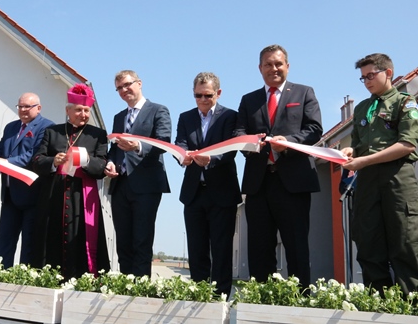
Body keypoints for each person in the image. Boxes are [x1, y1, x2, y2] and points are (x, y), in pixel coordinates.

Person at [234, 44, 322, 289]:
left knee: (296, 246)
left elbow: (314, 129)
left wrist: (289, 143)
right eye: (268, 64)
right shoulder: (249, 100)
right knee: (259, 247)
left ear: (287, 66)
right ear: (260, 68)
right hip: (258, 183)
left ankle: (300, 299)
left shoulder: (304, 93)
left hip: (294, 182)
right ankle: (262, 297)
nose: (273, 68)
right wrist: (252, 143)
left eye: (278, 64)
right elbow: (239, 132)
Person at [341, 53, 418, 295]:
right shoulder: (362, 108)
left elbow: (407, 145)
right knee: (368, 243)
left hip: (397, 176)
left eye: (371, 76)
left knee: (405, 242)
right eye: (363, 78)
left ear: (388, 73)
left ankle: (412, 304)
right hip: (367, 180)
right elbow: (358, 144)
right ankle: (379, 302)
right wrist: (350, 152)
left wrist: (364, 160)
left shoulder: (405, 103)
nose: (366, 82)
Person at [31, 84, 110, 280]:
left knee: (81, 240)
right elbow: (37, 160)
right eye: (79, 110)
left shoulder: (98, 135)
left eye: (86, 111)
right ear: (68, 111)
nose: (83, 114)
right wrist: (53, 161)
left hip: (81, 197)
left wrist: (86, 160)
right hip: (54, 197)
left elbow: (102, 166)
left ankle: (83, 280)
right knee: (51, 239)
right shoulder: (52, 132)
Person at [175, 72, 240, 297]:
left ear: (218, 93)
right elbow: (180, 143)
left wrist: (211, 159)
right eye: (198, 95)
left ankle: (220, 298)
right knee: (196, 249)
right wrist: (181, 156)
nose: (202, 99)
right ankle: (199, 297)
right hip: (193, 193)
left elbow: (231, 149)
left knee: (221, 250)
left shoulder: (230, 116)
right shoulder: (185, 117)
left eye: (208, 95)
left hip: (222, 193)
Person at [104, 70, 171, 277]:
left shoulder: (158, 110)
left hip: (146, 185)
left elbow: (164, 141)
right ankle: (125, 285)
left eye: (127, 85)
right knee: (123, 241)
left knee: (141, 240)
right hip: (120, 185)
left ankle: (140, 288)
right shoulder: (119, 117)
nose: (124, 90)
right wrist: (110, 162)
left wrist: (138, 146)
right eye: (119, 88)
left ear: (139, 83)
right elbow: (115, 149)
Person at [0, 92, 54, 268]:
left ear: (38, 108)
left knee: (29, 243)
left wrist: (6, 163)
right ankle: (0, 273)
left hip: (31, 194)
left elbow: (33, 156)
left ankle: (23, 277)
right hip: (9, 193)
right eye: (20, 106)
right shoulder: (11, 127)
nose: (23, 110)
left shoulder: (47, 127)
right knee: (5, 240)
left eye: (27, 107)